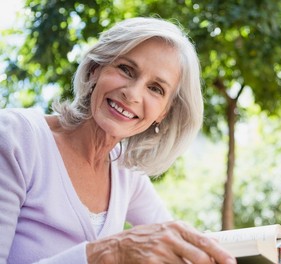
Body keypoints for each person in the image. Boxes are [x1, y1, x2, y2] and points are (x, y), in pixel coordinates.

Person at [0, 17, 236, 264]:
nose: (132, 94)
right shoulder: (15, 137)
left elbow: (175, 238)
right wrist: (110, 252)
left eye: (156, 88)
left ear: (163, 112)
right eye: (126, 70)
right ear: (95, 70)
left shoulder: (126, 172)